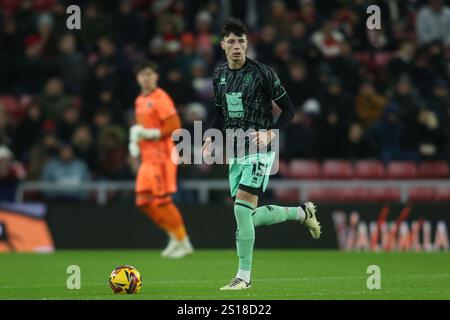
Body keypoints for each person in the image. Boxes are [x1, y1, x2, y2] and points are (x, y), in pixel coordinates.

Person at [202, 18, 321, 290]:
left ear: (247, 44)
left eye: (241, 41)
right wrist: (210, 136)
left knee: (241, 210)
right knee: (248, 216)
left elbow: (289, 110)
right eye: (231, 41)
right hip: (235, 152)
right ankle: (301, 213)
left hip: (260, 149)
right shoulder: (219, 75)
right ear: (222, 45)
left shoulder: (262, 73)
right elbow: (219, 113)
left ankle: (243, 277)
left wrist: (272, 133)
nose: (236, 46)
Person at [128, 61, 194, 259]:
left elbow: (175, 126)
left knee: (163, 202)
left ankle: (184, 242)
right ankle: (174, 236)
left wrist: (148, 134)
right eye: (142, 75)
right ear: (137, 78)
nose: (146, 78)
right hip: (148, 158)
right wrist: (136, 142)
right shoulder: (140, 100)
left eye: (150, 74)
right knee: (144, 202)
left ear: (156, 77)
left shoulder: (161, 98)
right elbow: (143, 129)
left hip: (162, 157)